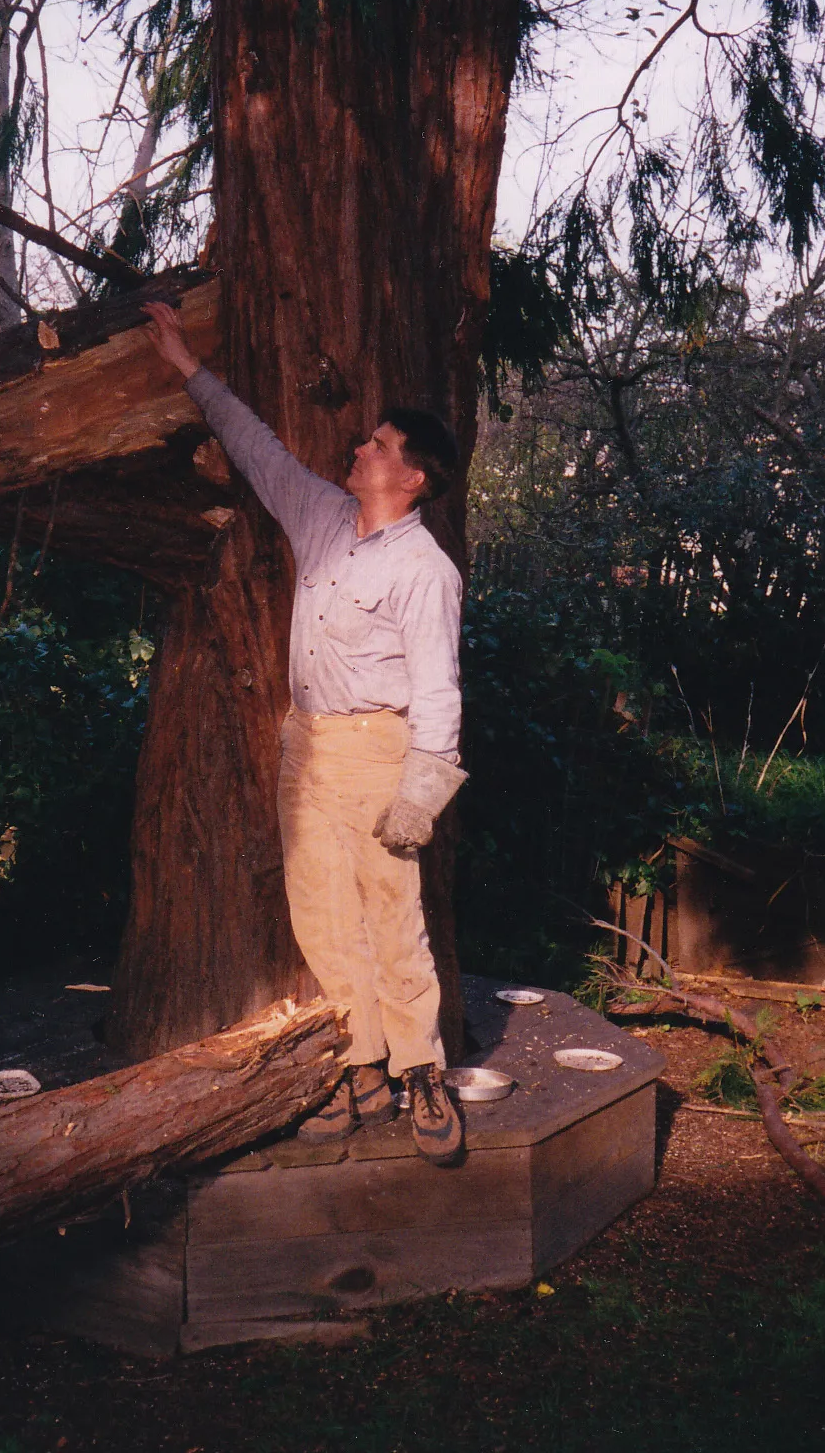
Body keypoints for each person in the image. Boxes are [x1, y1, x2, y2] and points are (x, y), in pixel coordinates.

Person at [143, 301, 468, 1166]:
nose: (357, 449)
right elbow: (257, 447)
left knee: (393, 919)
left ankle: (422, 1072)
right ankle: (361, 1065)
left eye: (377, 445)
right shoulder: (320, 514)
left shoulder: (425, 570)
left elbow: (439, 689)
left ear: (412, 478)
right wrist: (185, 365)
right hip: (307, 748)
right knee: (320, 917)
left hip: (377, 753)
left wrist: (421, 793)